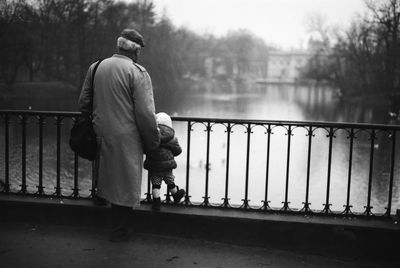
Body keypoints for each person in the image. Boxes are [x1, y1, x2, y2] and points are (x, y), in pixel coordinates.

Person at [78, 28, 160, 242]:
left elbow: (83, 102)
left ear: (118, 46)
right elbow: (145, 114)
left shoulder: (96, 67)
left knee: (105, 177)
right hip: (127, 138)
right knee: (125, 183)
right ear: (136, 51)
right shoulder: (138, 72)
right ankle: (120, 230)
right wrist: (153, 141)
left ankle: (110, 222)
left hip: (100, 133)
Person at [144, 112, 185, 211]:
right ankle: (175, 195)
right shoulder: (172, 138)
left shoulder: (152, 137)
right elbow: (178, 150)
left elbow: (146, 149)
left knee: (155, 184)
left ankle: (156, 202)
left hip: (154, 165)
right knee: (170, 181)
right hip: (167, 166)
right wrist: (170, 154)